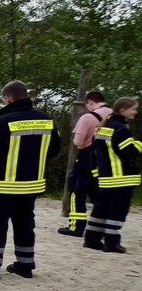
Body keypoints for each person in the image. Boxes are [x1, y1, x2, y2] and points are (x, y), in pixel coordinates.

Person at [0, 81, 61, 280]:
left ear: (7, 99)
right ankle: (25, 266)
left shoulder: (2, 122)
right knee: (25, 223)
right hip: (33, 185)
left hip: (4, 184)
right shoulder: (47, 121)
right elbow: (54, 150)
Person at [84, 97, 141, 253]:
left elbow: (94, 155)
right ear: (122, 110)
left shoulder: (103, 127)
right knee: (118, 210)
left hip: (106, 178)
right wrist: (140, 142)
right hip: (121, 178)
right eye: (133, 109)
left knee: (100, 209)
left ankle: (92, 239)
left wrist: (97, 174)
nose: (135, 112)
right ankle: (112, 242)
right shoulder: (120, 129)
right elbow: (130, 152)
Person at [61, 91, 111, 237]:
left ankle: (76, 227)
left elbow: (78, 142)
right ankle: (102, 226)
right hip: (106, 160)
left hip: (86, 159)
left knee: (77, 192)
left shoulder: (87, 118)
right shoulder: (113, 116)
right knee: (98, 194)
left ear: (89, 102)